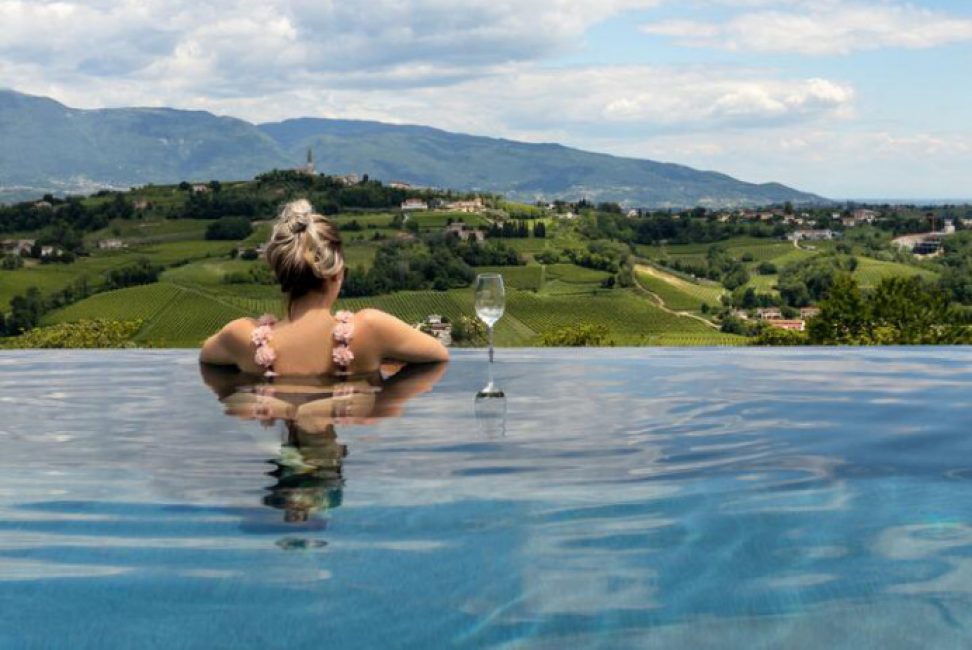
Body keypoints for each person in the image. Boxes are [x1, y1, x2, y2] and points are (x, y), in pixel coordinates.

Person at [200, 199, 448, 375]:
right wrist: (386, 401)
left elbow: (206, 356)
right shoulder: (372, 328)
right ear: (336, 273)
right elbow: (438, 355)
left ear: (281, 274)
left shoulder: (241, 337)